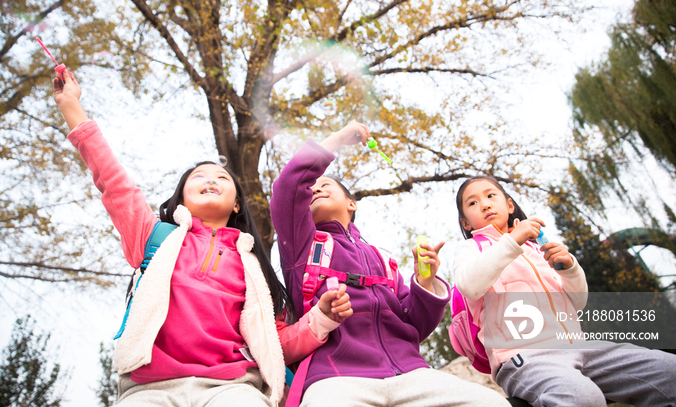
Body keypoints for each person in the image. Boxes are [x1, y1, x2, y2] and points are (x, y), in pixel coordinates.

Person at [52, 71, 352, 407]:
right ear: (181, 197)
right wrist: (71, 106)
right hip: (149, 388)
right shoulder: (153, 238)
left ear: (237, 202)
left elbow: (276, 342)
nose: (211, 179)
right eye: (199, 176)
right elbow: (113, 181)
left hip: (234, 388)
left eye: (222, 177)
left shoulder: (254, 269)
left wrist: (322, 318)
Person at [270, 120, 509, 407]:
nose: (315, 189)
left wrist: (425, 283)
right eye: (311, 188)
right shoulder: (301, 244)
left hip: (411, 373)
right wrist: (336, 139)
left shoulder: (384, 260)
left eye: (326, 185)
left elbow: (412, 325)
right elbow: (289, 186)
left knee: (490, 403)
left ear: (352, 204)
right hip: (336, 379)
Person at [453, 175, 676, 407]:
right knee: (583, 398)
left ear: (509, 205)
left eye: (490, 196)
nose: (485, 204)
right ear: (466, 223)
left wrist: (569, 268)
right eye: (473, 203)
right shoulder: (471, 249)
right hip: (526, 358)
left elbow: (577, 302)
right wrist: (513, 239)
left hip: (581, 346)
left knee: (669, 372)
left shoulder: (537, 247)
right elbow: (469, 285)